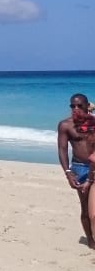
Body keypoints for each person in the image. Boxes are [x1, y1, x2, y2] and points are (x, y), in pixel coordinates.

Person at [57, 92, 95, 248]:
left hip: (94, 166)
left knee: (94, 213)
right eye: (73, 105)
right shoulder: (66, 125)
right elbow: (62, 149)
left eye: (80, 105)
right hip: (79, 168)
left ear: (87, 106)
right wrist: (68, 173)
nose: (76, 108)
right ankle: (91, 240)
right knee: (85, 208)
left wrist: (90, 178)